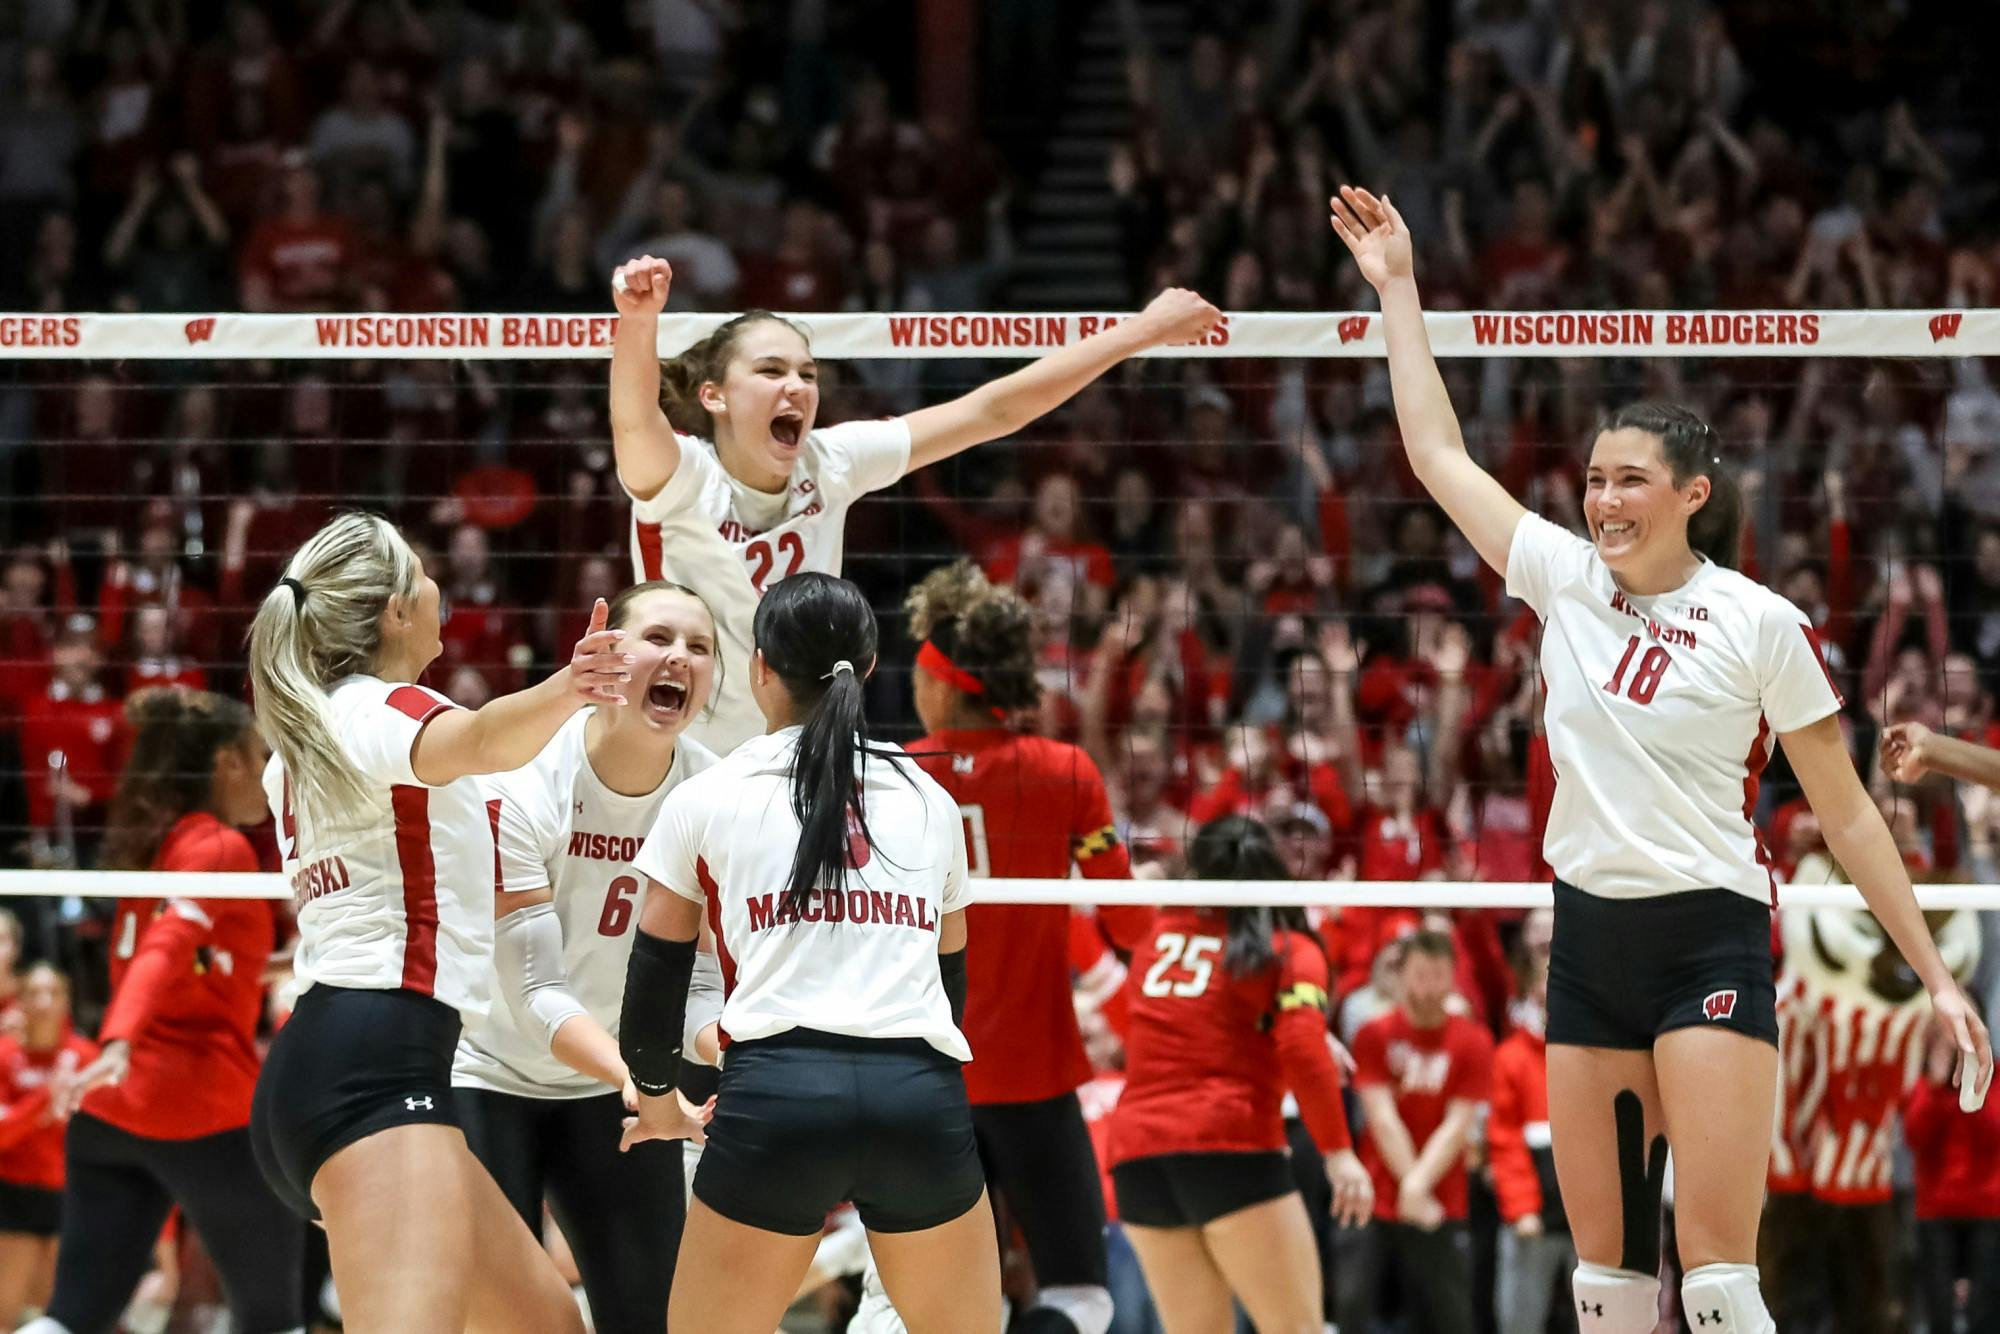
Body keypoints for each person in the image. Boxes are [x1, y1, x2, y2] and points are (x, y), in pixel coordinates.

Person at [1328, 182, 1993, 1334]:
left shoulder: (1759, 623)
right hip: (1586, 939)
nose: (1601, 500)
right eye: (1592, 478)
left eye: (1627, 479)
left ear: (1691, 495)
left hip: (1707, 938)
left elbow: (1846, 813)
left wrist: (1935, 977)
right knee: (1607, 1289)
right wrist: (1398, 289)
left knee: (1719, 1283)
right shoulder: (1558, 575)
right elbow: (1434, 453)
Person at [243, 511, 695, 1334]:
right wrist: (574, 684)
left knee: (545, 1325)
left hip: (344, 1058)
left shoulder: (306, 738)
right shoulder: (380, 709)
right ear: (394, 610)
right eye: (423, 575)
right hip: (376, 1066)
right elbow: (483, 740)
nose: (438, 589)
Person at [609, 255, 1221, 752]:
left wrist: (1140, 332)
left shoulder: (831, 462)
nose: (796, 386)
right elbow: (634, 419)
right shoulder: (685, 475)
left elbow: (993, 410)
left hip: (794, 759)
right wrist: (636, 323)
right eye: (771, 371)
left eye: (808, 374)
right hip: (678, 756)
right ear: (713, 396)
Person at [618, 572, 1000, 1334]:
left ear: (760, 667)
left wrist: (659, 1103)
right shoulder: (930, 800)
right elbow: (950, 981)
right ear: (870, 667)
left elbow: (654, 980)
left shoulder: (706, 796)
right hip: (916, 1101)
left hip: (779, 1102)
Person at [846, 559, 1154, 1334]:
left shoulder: (891, 777)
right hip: (1036, 1078)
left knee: (929, 1307)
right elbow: (1130, 924)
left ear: (941, 683)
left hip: (922, 1074)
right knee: (1082, 1298)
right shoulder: (1064, 771)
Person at [451, 580, 722, 1334]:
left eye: (700, 647)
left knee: (652, 1318)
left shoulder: (713, 793)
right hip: (492, 1071)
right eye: (659, 637)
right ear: (605, 655)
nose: (680, 657)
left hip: (617, 1088)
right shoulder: (522, 778)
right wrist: (641, 1078)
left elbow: (699, 980)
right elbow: (535, 990)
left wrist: (738, 1052)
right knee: (504, 1322)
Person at [23, 688, 302, 1334]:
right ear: (227, 763)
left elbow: (191, 964)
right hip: (200, 1105)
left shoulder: (157, 846)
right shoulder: (222, 847)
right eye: (261, 755)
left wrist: (281, 965)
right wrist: (118, 1040)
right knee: (275, 1319)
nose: (269, 774)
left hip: (111, 1117)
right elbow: (169, 945)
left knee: (72, 1319)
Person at [1107, 815, 1371, 1334]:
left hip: (1140, 1161)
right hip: (1228, 1145)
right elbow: (1298, 1046)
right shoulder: (1289, 948)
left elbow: (1192, 1019)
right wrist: (1339, 1153)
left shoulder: (1155, 936)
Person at [1340, 930, 1492, 1334]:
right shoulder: (1373, 1034)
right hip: (1374, 1194)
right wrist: (1413, 1187)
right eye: (1421, 974)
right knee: (1351, 1305)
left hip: (1441, 1199)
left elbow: (1458, 1125)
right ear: (1401, 974)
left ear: (1453, 977)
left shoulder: (1473, 1041)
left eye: (1439, 975)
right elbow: (1381, 1117)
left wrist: (1417, 1186)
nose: (1429, 987)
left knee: (1451, 1316)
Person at [0, 964, 96, 1328]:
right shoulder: (4, 1056)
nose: (44, 1002)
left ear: (66, 1001)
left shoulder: (86, 1059)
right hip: (13, 1195)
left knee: (64, 1313)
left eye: (53, 992)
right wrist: (45, 1097)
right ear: (20, 1001)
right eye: (34, 993)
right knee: (4, 1312)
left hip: (70, 1195)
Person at [1488, 953, 1574, 1334]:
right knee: (1520, 1320)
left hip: (1593, 1220)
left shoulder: (1599, 1053)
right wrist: (1522, 1207)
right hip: (1534, 1219)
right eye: (1546, 978)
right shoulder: (1511, 1058)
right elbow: (1504, 1141)